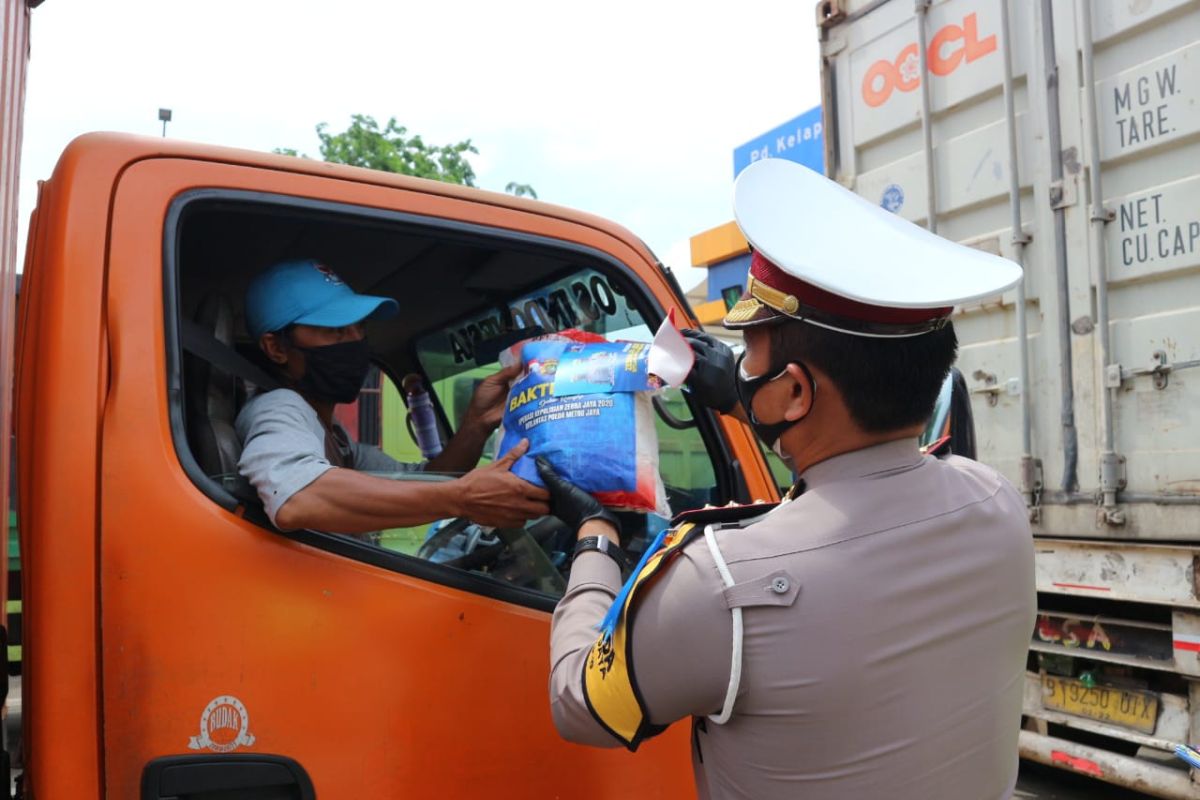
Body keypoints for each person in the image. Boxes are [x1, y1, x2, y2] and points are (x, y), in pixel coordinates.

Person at [540, 159, 1036, 799]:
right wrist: (750, 394)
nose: (739, 368)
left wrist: (595, 537)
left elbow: (580, 704)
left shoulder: (719, 584)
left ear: (797, 390)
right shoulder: (997, 506)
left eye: (749, 353)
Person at [235, 258, 549, 535]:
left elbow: (426, 481)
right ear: (276, 348)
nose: (356, 341)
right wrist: (463, 498)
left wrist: (476, 425)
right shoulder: (278, 407)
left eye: (359, 328)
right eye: (336, 331)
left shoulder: (335, 439)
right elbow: (295, 496)